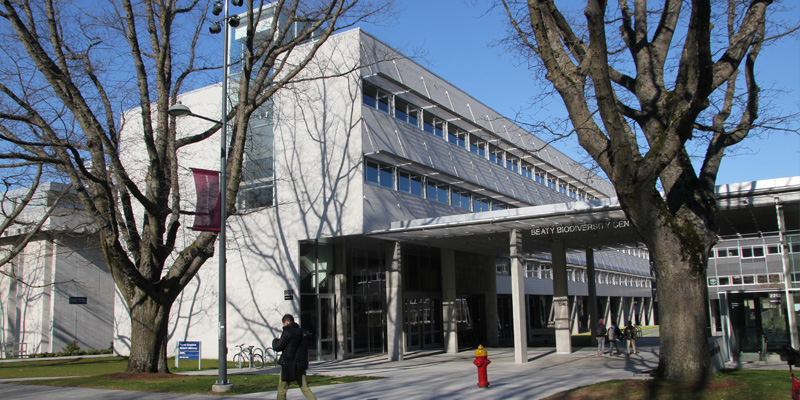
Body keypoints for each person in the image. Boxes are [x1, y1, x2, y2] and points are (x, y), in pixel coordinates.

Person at [272, 314, 316, 400]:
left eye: (283, 324)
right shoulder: (303, 332)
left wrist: (275, 340)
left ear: (287, 322)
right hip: (301, 364)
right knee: (305, 388)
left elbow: (278, 347)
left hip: (289, 364)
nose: (283, 326)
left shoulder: (287, 332)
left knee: (282, 390)